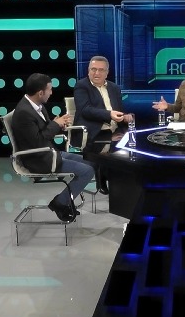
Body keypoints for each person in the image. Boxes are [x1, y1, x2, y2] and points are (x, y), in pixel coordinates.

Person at [11, 72, 94, 222]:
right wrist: (55, 124)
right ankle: (60, 203)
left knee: (89, 163)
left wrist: (59, 125)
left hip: (49, 152)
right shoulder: (24, 113)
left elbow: (45, 130)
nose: (51, 92)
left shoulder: (37, 106)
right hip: (38, 159)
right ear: (40, 93)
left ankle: (64, 201)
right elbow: (38, 141)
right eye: (49, 89)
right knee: (87, 171)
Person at [72, 55, 132, 194]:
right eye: (93, 69)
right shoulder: (81, 86)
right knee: (106, 145)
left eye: (101, 70)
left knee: (133, 145)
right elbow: (85, 110)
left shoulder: (114, 88)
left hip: (115, 129)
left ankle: (124, 181)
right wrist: (109, 114)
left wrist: (125, 117)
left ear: (107, 72)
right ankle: (102, 179)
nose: (96, 73)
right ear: (88, 71)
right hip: (94, 130)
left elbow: (119, 110)